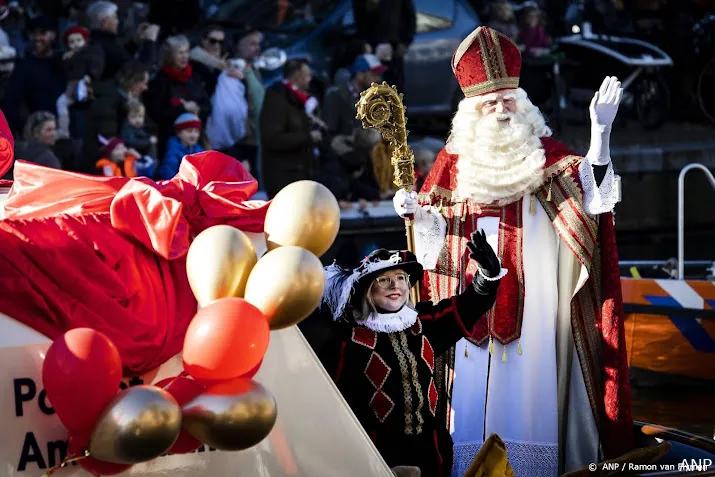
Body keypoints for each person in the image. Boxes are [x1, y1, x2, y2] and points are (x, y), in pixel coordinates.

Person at [392, 26, 633, 476]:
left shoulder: (545, 154)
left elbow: (596, 204)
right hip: (471, 321)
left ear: (522, 104)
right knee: (471, 408)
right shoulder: (451, 164)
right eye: (490, 103)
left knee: (533, 397)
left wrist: (600, 137)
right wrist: (415, 215)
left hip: (538, 315)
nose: (502, 111)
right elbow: (430, 254)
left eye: (508, 100)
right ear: (471, 112)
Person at [299, 230, 505, 477]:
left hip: (433, 454)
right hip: (378, 457)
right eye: (384, 280)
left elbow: (470, 305)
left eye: (400, 278)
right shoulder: (348, 341)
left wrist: (488, 276)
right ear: (366, 289)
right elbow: (334, 410)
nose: (395, 285)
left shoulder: (423, 324)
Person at [260, 58, 321, 198]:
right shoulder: (277, 99)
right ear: (296, 75)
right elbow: (273, 138)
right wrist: (308, 137)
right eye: (307, 74)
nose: (310, 79)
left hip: (300, 175)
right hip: (283, 180)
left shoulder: (300, 100)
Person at [158, 113, 204, 180]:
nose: (194, 135)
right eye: (189, 131)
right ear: (179, 133)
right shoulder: (173, 151)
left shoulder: (199, 150)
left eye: (196, 131)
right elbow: (169, 172)